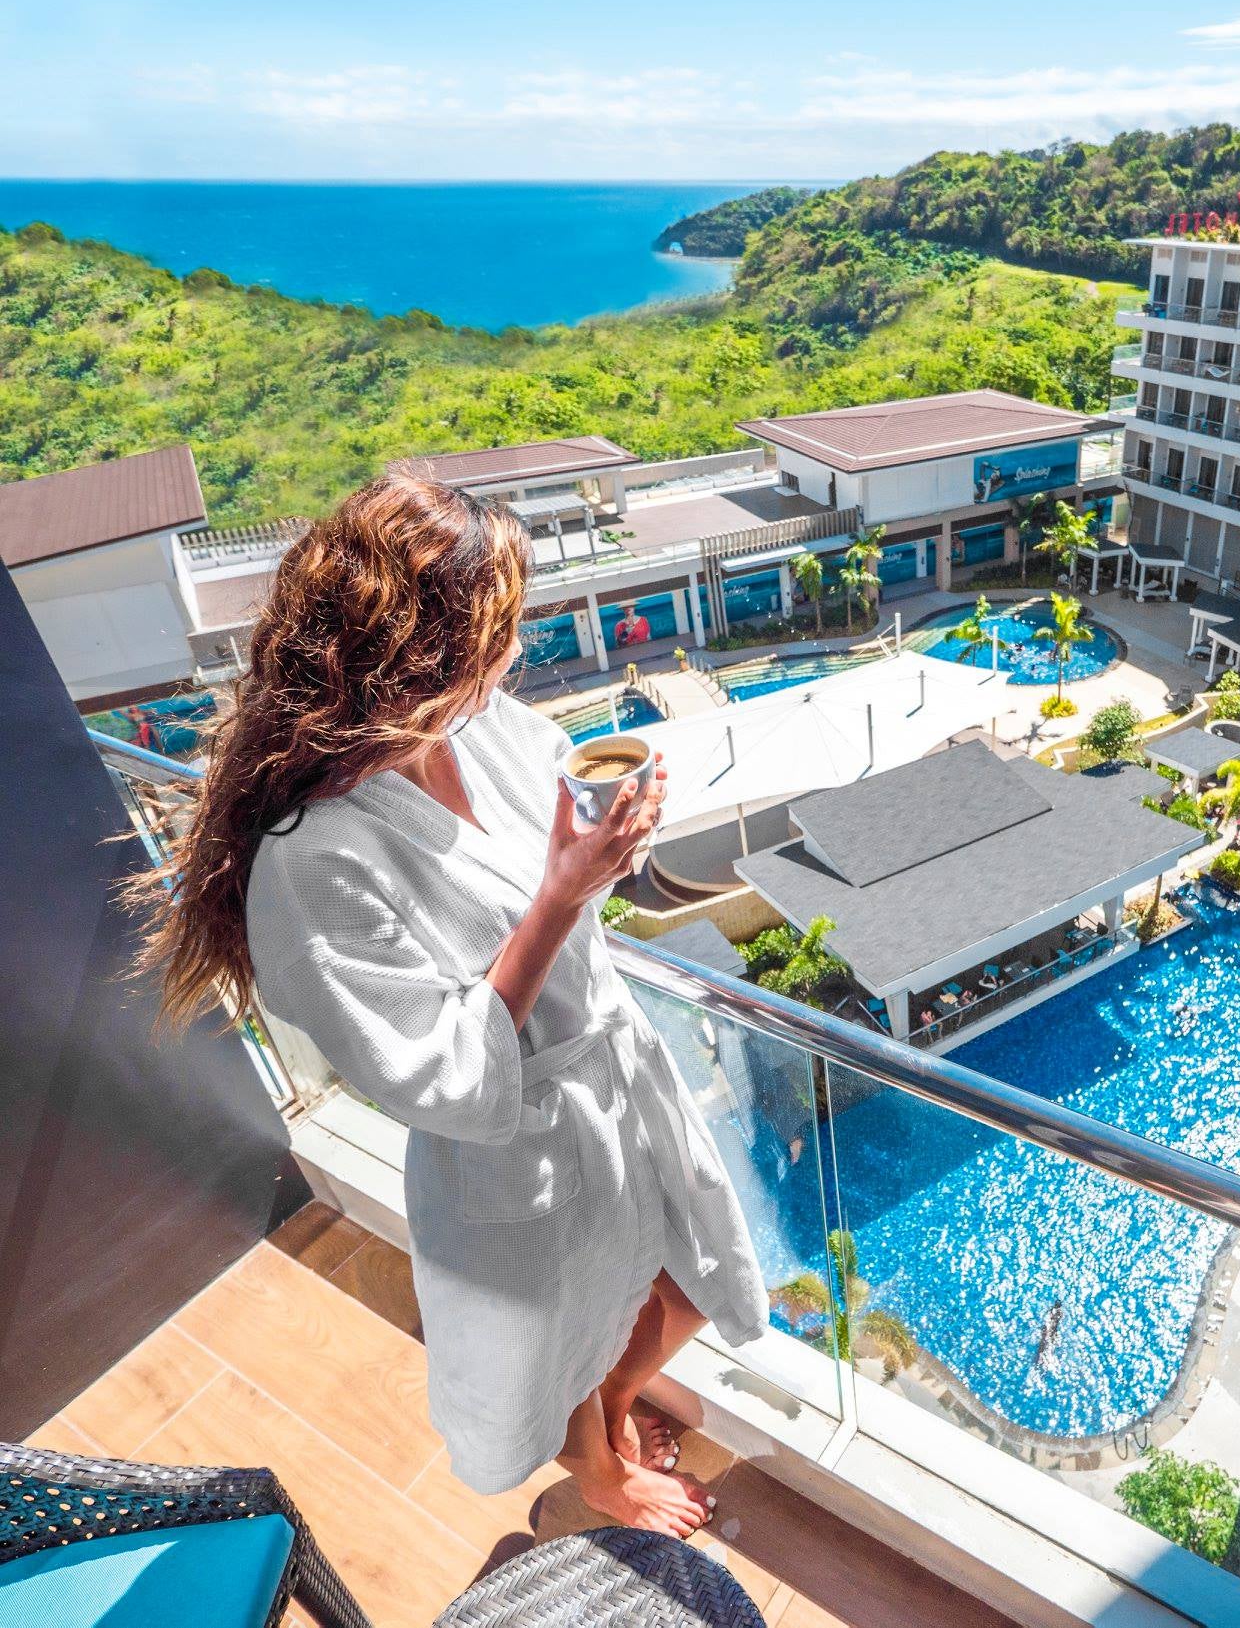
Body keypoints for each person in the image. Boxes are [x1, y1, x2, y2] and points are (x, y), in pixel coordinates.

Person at [127, 475, 766, 1540]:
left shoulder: (487, 730)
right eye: (500, 629)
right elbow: (443, 1072)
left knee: (684, 1274)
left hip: (615, 1084)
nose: (516, 652)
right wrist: (565, 891)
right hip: (514, 1142)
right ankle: (598, 1471)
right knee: (561, 1329)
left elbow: (558, 870)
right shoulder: (315, 860)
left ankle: (612, 1407)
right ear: (429, 645)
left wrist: (614, 851)